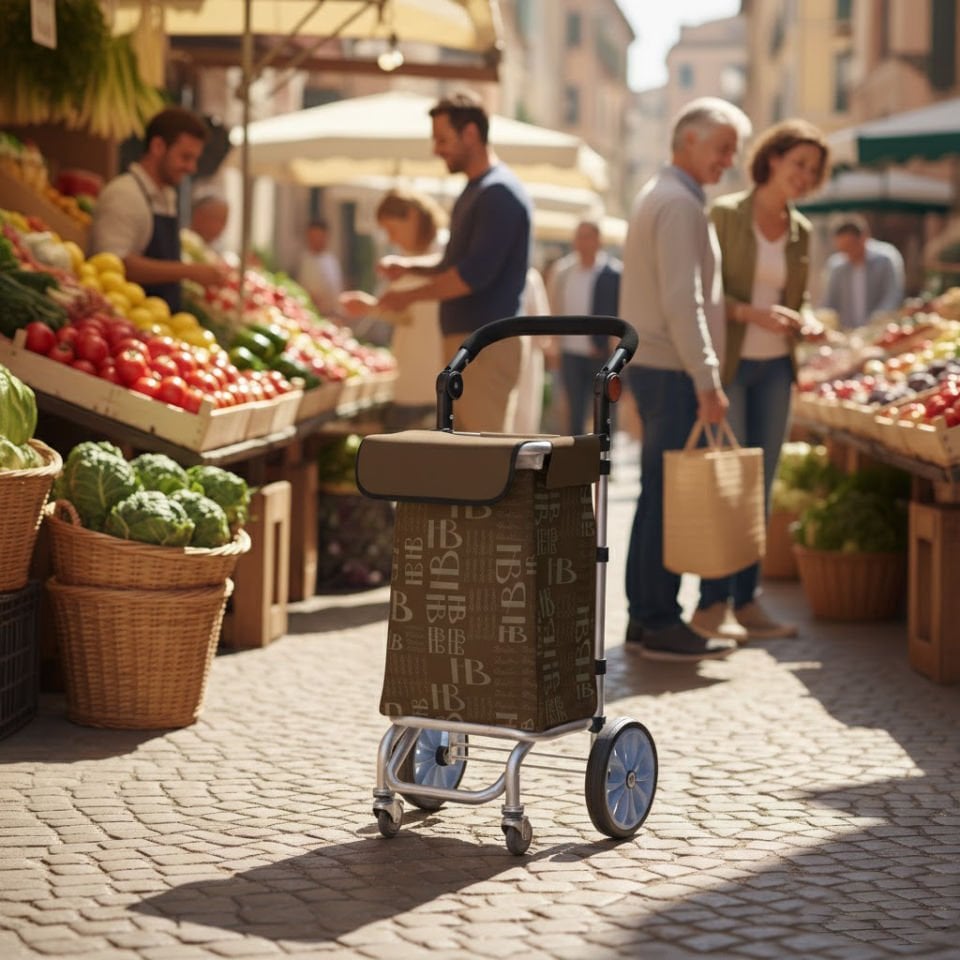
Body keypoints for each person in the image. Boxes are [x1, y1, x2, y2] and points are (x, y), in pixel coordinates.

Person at [619, 96, 752, 662]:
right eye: (723, 148)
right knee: (664, 499)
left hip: (656, 365)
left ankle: (646, 619)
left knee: (657, 497)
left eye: (732, 152)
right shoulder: (679, 204)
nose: (728, 161)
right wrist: (709, 379)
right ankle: (658, 619)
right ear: (689, 140)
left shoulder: (663, 195)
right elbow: (683, 301)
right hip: (671, 369)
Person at [691, 119, 831, 644]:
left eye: (813, 171)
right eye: (798, 164)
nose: (804, 176)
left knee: (760, 485)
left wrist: (808, 320)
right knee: (727, 482)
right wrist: (751, 314)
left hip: (777, 369)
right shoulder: (726, 214)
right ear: (771, 159)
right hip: (731, 368)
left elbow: (799, 298)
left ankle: (748, 601)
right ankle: (711, 603)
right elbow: (703, 295)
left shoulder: (803, 231)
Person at [375, 90, 533, 433]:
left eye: (443, 139)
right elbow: (453, 262)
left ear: (471, 134)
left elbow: (470, 276)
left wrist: (407, 295)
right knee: (470, 453)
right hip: (470, 343)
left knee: (486, 458)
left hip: (486, 345)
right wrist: (409, 268)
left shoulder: (498, 193)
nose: (436, 149)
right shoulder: (478, 190)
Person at [89, 106, 227, 311]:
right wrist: (188, 271)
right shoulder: (125, 194)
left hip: (157, 320)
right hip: (127, 318)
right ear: (158, 146)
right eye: (186, 157)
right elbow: (114, 263)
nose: (192, 168)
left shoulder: (166, 195)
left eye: (194, 159)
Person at [340, 189, 448, 431]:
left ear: (412, 216)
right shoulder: (408, 257)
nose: (391, 239)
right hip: (408, 380)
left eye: (392, 230)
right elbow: (409, 316)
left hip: (433, 381)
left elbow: (427, 312)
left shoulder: (444, 252)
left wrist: (378, 306)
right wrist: (371, 308)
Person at [547, 219, 623, 435]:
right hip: (571, 354)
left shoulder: (615, 273)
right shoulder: (563, 272)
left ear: (598, 240)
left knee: (605, 414)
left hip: (603, 355)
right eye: (578, 236)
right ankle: (577, 460)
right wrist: (554, 345)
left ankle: (603, 459)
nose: (582, 242)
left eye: (587, 236)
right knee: (573, 414)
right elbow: (555, 308)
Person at [821, 215, 905, 329]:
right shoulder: (836, 266)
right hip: (847, 333)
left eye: (850, 246)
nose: (847, 253)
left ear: (864, 238)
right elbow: (829, 302)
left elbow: (892, 295)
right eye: (843, 249)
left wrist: (878, 319)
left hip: (880, 330)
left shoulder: (885, 260)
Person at [297, 219, 344, 319]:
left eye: (319, 237)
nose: (316, 240)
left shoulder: (332, 261)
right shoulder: (302, 260)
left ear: (326, 237)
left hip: (331, 315)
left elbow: (337, 290)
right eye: (313, 237)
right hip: (309, 314)